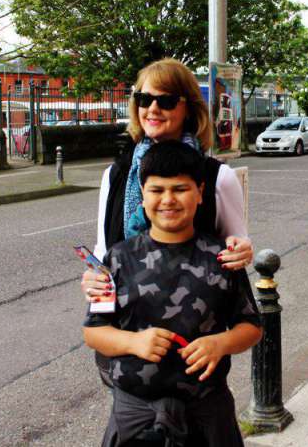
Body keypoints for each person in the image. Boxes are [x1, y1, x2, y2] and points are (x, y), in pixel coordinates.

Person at [83, 141, 262, 446]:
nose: (168, 199)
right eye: (157, 190)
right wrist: (134, 341)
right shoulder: (117, 258)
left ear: (200, 192)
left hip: (207, 415)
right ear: (142, 195)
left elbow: (252, 327)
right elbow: (94, 332)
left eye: (180, 189)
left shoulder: (222, 257)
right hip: (135, 420)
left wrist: (221, 343)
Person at [82, 58, 253, 303]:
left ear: (189, 109)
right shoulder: (115, 174)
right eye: (144, 99)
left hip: (194, 319)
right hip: (130, 327)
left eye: (166, 101)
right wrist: (94, 280)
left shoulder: (217, 177)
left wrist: (243, 250)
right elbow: (104, 250)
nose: (152, 109)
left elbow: (236, 245)